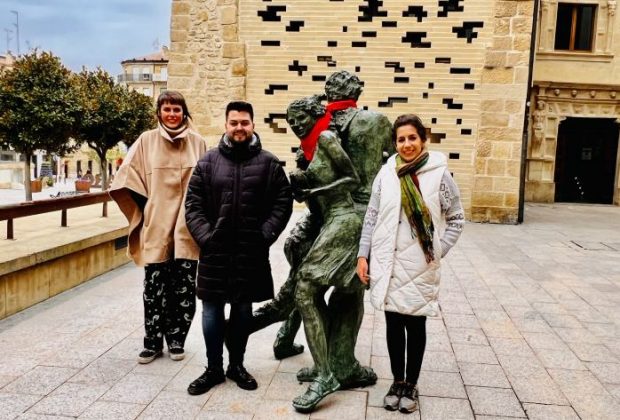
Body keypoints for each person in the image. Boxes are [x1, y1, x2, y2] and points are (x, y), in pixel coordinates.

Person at [356, 114, 465, 414]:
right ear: (395, 143)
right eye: (401, 139)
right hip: (388, 262)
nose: (406, 144)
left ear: (423, 139)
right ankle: (397, 382)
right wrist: (363, 254)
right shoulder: (385, 174)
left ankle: (411, 384)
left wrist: (437, 251)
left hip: (420, 265)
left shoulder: (440, 174)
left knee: (415, 324)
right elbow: (371, 216)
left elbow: (457, 219)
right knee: (393, 325)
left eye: (412, 138)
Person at [184, 101, 293, 396]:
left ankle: (236, 365)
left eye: (244, 122)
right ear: (226, 125)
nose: (239, 128)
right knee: (211, 310)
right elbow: (193, 205)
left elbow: (282, 202)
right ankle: (213, 368)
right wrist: (206, 237)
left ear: (253, 125)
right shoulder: (207, 162)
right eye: (234, 123)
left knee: (243, 309)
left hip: (250, 251)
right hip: (215, 252)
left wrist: (264, 235)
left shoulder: (269, 163)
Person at [109, 90, 207, 364]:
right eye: (167, 109)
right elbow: (125, 179)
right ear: (159, 113)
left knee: (184, 288)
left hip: (187, 229)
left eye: (177, 109)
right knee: (154, 289)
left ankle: (176, 340)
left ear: (184, 113)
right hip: (156, 226)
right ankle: (152, 342)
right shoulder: (146, 141)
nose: (172, 114)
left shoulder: (198, 143)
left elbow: (208, 183)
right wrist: (146, 209)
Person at [282, 96, 363, 412]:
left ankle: (326, 375)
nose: (295, 125)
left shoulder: (327, 138)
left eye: (299, 119)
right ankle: (324, 365)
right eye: (290, 122)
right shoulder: (308, 148)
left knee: (304, 289)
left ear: (313, 115)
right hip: (329, 221)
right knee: (308, 293)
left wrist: (314, 190)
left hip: (344, 219)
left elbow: (352, 179)